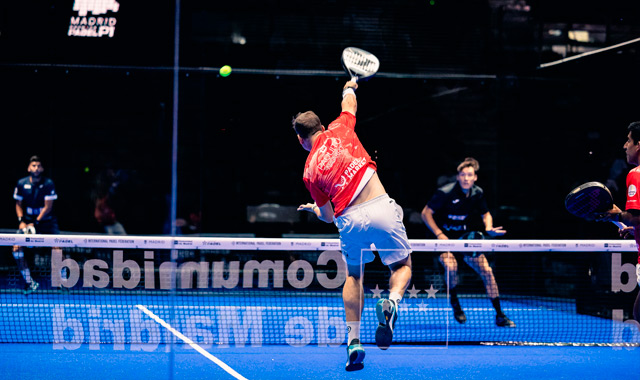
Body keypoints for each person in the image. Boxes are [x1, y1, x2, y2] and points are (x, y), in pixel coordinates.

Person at [293, 80, 412, 371]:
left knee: (354, 276)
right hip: (380, 206)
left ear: (300, 139)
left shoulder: (309, 171)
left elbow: (328, 216)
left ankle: (354, 342)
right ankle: (393, 302)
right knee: (402, 266)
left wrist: (313, 209)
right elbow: (350, 105)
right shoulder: (340, 128)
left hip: (349, 220)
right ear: (321, 126)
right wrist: (350, 87)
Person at [421, 157, 515, 327]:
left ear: (475, 177)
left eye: (469, 175)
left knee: (487, 270)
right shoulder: (445, 192)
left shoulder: (477, 193)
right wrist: (439, 233)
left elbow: (485, 214)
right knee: (451, 267)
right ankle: (456, 305)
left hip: (465, 240)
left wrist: (489, 228)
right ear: (458, 177)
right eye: (463, 175)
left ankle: (500, 315)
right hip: (444, 240)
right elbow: (426, 213)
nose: (466, 178)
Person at [596, 121, 640, 323]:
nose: (625, 146)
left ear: (639, 144)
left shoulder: (637, 174)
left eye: (629, 140)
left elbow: (635, 216)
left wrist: (615, 214)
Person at [12, 155, 60, 294]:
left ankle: (61, 282)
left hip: (46, 222)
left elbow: (48, 207)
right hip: (27, 222)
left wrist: (36, 222)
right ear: (29, 168)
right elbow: (18, 204)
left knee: (58, 249)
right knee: (16, 250)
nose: (36, 168)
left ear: (42, 168)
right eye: (33, 166)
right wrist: (21, 221)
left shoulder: (48, 184)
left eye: (39, 166)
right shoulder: (21, 184)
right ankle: (29, 282)